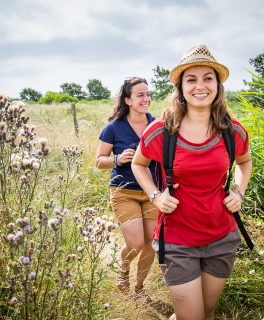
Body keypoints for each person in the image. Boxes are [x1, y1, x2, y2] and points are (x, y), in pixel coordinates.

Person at [131, 44, 252, 320]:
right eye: (191, 79)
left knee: (207, 313)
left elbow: (244, 162)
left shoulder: (232, 130)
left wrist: (239, 192)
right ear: (181, 87)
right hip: (177, 240)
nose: (201, 86)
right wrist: (155, 196)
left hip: (221, 236)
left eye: (208, 78)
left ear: (218, 86)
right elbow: (139, 164)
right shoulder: (162, 130)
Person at [95, 77, 158, 295]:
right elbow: (98, 160)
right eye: (140, 95)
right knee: (136, 243)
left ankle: (139, 289)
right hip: (125, 191)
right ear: (128, 100)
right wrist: (118, 159)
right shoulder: (114, 127)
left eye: (148, 94)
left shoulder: (158, 125)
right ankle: (124, 269)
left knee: (151, 243)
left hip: (153, 192)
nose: (146, 99)